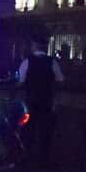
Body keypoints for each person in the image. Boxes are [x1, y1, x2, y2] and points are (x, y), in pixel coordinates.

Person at [17, 33, 64, 164]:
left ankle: (25, 157)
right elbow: (60, 80)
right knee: (46, 131)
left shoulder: (27, 61)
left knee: (28, 131)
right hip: (47, 101)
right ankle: (44, 159)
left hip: (30, 101)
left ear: (34, 46)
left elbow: (20, 82)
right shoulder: (52, 62)